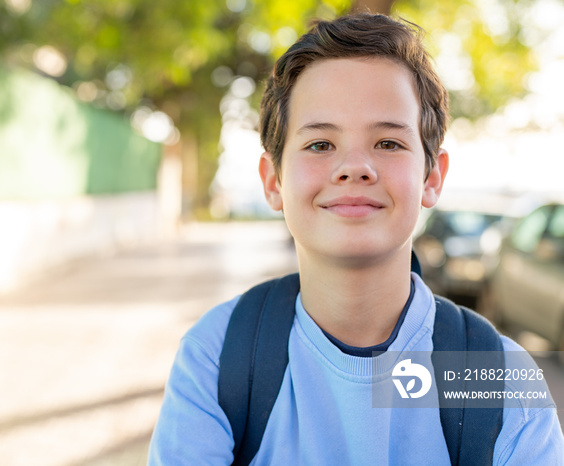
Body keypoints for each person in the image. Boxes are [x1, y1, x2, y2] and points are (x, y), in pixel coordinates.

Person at [148, 13, 564, 465]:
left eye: (388, 143)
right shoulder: (216, 356)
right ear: (273, 181)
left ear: (432, 177)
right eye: (320, 144)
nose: (355, 166)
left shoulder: (495, 377)